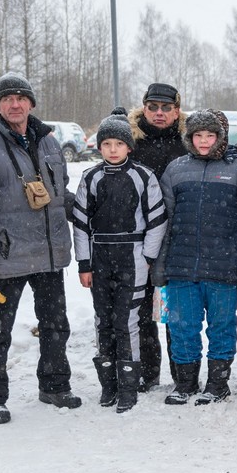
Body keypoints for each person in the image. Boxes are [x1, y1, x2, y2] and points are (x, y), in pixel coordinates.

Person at [0, 72, 80, 424]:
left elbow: (58, 196)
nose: (14, 104)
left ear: (31, 104)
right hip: (5, 258)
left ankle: (54, 385)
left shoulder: (51, 145)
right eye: (6, 98)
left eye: (20, 98)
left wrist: (93, 210)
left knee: (56, 325)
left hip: (50, 255)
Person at [157, 110, 237, 405]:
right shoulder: (176, 169)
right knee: (182, 326)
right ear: (189, 138)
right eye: (198, 135)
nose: (204, 141)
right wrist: (161, 264)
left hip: (223, 266)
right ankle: (186, 382)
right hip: (182, 266)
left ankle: (218, 382)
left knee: (221, 326)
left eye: (210, 135)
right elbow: (165, 221)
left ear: (221, 137)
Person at [70, 108, 167, 413]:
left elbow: (157, 220)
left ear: (129, 146)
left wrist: (148, 255)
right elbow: (81, 224)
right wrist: (84, 264)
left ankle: (128, 385)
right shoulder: (90, 177)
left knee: (128, 321)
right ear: (99, 147)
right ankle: (108, 384)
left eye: (119, 144)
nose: (113, 150)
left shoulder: (143, 176)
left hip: (132, 253)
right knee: (104, 321)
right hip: (100, 255)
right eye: (107, 144)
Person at [128, 82, 187, 391]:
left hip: (177, 239)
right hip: (139, 238)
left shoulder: (187, 142)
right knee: (141, 313)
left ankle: (182, 375)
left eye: (166, 108)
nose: (160, 113)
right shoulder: (130, 142)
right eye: (153, 107)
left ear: (177, 111)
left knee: (173, 309)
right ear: (144, 108)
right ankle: (147, 373)